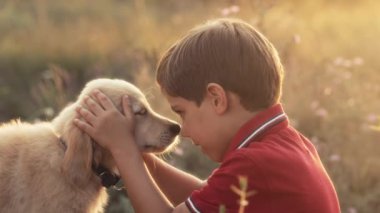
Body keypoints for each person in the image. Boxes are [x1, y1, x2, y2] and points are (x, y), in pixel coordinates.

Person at [74, 18, 340, 213]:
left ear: (217, 99)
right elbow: (204, 194)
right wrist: (140, 154)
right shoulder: (288, 145)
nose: (185, 130)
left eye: (182, 112)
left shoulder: (254, 163)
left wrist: (124, 151)